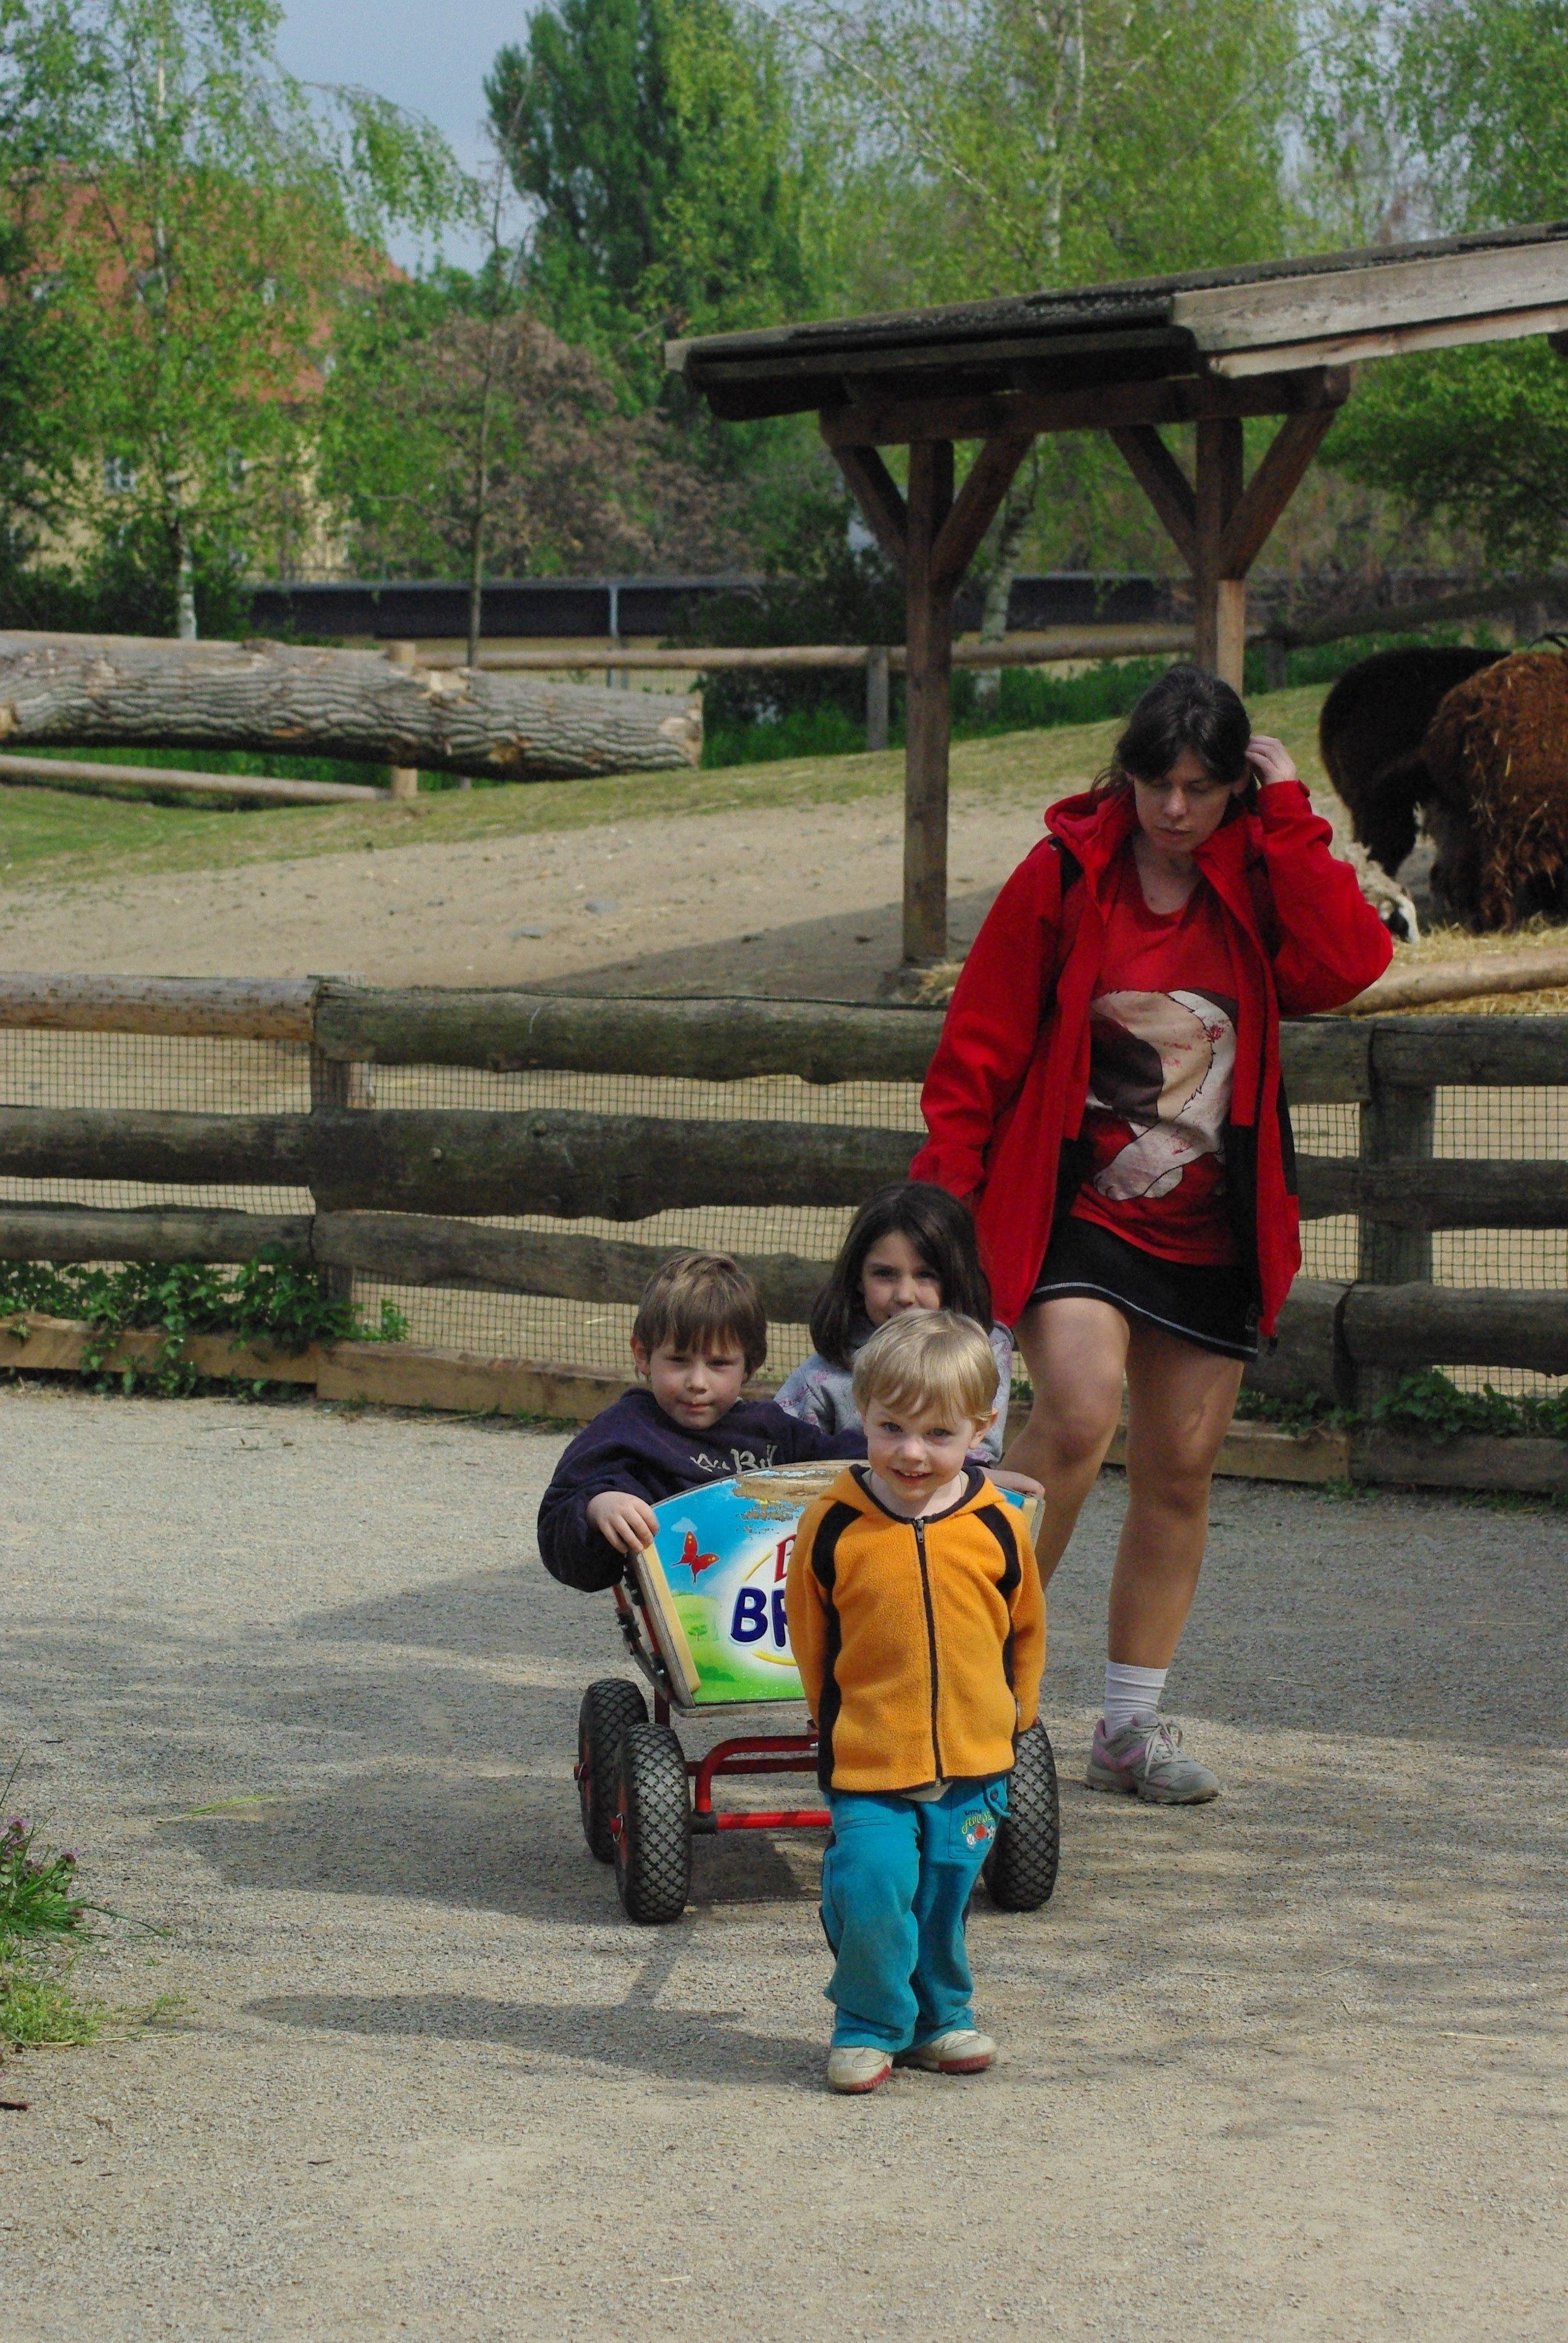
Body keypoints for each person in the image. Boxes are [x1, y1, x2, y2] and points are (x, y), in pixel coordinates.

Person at [912, 664, 1393, 1805]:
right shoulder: (1064, 874)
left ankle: (1127, 1730)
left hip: (1211, 1225)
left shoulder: (1257, 875)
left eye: (1202, 787)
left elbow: (1350, 965)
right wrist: (941, 1216)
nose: (1175, 809)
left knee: (1178, 1471)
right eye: (1156, 782)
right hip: (1076, 1211)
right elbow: (977, 1047)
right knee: (1078, 1415)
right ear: (1125, 774)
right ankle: (961, 1673)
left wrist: (1293, 816)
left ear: (1234, 788)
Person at [786, 1310, 1045, 2095]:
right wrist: (832, 1719)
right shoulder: (833, 1523)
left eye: (938, 1433)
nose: (911, 1452)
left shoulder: (997, 1524)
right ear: (862, 1413)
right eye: (891, 1427)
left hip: (974, 1759)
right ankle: (868, 2022)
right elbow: (811, 1634)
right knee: (873, 1882)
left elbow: (1025, 1626)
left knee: (943, 1894)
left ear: (981, 1427)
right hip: (870, 1757)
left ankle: (937, 2019)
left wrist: (1017, 1716)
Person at [537, 1251, 866, 1593]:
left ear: (750, 1364)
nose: (697, 1382)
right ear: (643, 1355)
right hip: (679, 1608)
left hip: (770, 1604)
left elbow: (846, 1463)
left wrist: (892, 1446)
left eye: (719, 1363)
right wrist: (597, 1508)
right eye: (679, 1360)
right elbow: (559, 1531)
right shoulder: (625, 1432)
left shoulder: (771, 1432)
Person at [775, 1180, 1014, 1462]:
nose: (904, 1296)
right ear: (858, 1278)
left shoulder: (985, 1350)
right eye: (885, 1274)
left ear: (956, 1277)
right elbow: (779, 1453)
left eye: (926, 1275)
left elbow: (979, 1457)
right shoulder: (823, 1376)